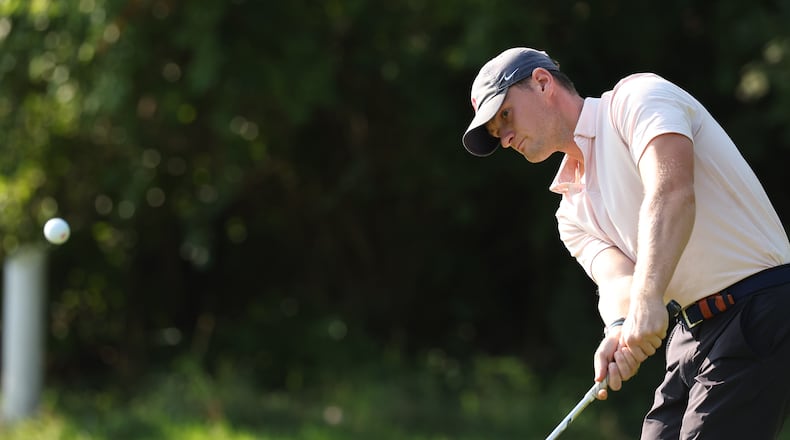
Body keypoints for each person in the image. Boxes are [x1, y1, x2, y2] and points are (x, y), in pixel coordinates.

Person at [461, 47, 790, 439]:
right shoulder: (570, 214)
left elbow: (672, 192)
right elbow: (619, 281)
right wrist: (618, 328)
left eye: (505, 115)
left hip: (758, 306)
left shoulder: (636, 99)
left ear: (543, 82)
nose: (506, 137)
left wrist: (649, 298)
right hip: (691, 332)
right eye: (498, 134)